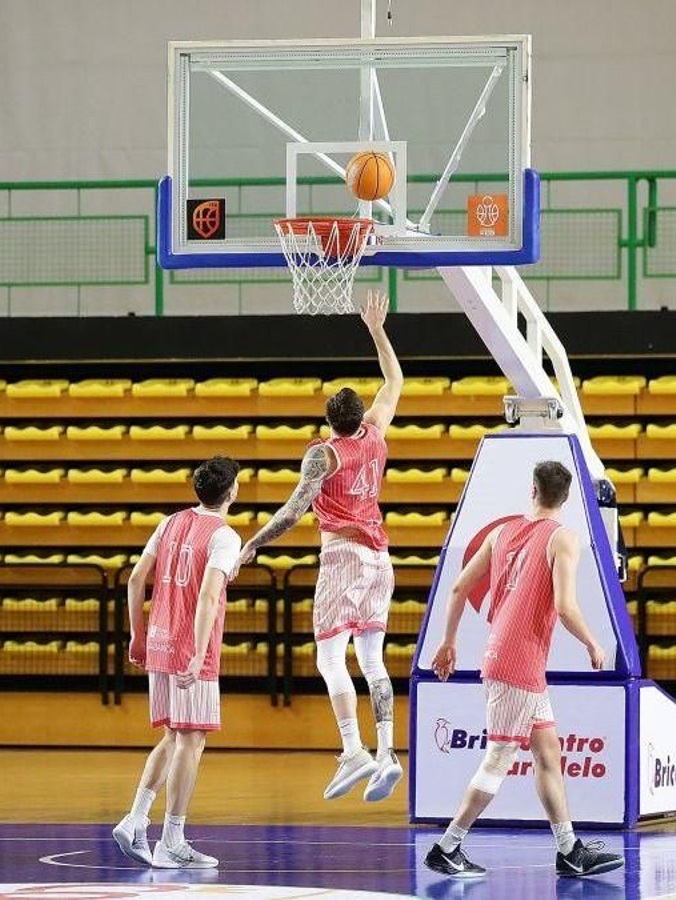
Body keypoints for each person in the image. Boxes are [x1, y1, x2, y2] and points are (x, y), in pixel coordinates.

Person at [238, 290, 404, 802]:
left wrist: (252, 543)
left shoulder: (324, 455)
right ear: (360, 415)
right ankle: (387, 753)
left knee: (330, 658)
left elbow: (293, 512)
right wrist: (376, 329)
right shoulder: (375, 433)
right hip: (381, 559)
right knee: (373, 661)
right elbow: (394, 380)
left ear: (330, 421)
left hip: (344, 555)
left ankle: (353, 750)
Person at [424, 461, 625, 880]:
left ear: (533, 491)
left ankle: (569, 850)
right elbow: (565, 607)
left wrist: (448, 641)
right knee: (499, 757)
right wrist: (592, 641)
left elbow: (459, 587)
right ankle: (447, 846)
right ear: (566, 498)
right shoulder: (563, 538)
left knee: (548, 754)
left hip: (507, 656)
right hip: (519, 661)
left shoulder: (501, 532)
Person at [114, 456, 243, 869]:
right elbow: (207, 596)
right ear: (232, 491)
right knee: (192, 739)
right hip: (190, 648)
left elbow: (136, 578)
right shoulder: (224, 535)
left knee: (173, 736)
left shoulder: (169, 522)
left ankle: (135, 819)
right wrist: (199, 652)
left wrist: (136, 634)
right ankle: (171, 839)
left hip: (159, 640)